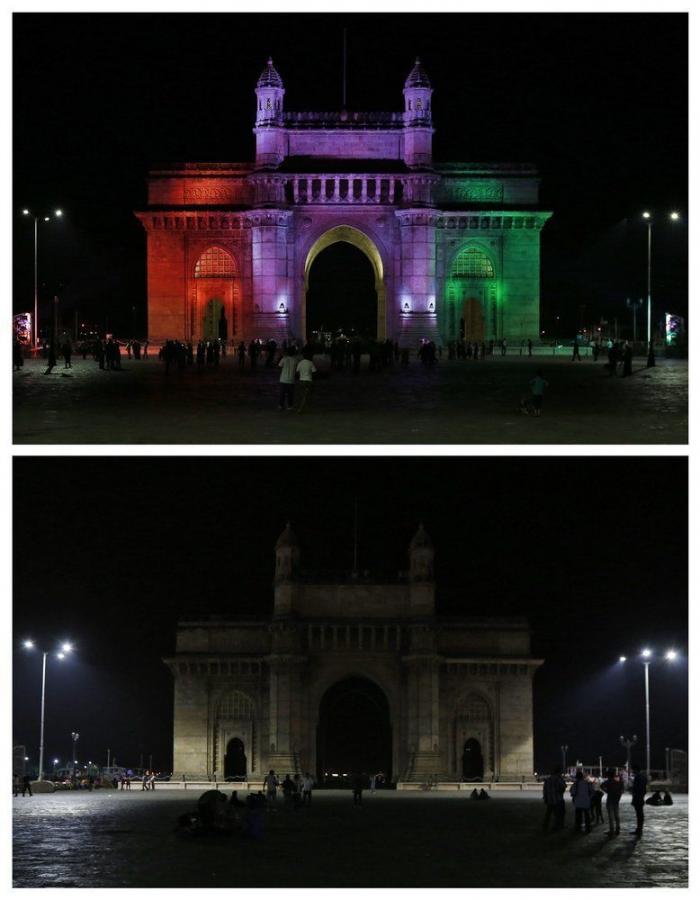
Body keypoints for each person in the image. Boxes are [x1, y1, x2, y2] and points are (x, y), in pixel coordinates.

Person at [542, 765, 567, 832]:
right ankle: (557, 826)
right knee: (559, 814)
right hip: (558, 799)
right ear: (558, 772)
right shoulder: (559, 779)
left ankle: (545, 826)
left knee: (548, 814)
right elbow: (564, 786)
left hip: (550, 799)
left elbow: (544, 790)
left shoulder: (548, 780)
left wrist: (545, 798)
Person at [601, 768, 624, 835]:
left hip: (610, 799)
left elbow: (601, 786)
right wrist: (619, 794)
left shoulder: (608, 781)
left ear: (609, 775)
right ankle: (618, 828)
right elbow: (622, 790)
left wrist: (607, 791)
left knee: (611, 816)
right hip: (616, 800)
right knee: (616, 815)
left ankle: (612, 830)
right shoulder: (619, 781)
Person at [570, 769, 593, 834]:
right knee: (587, 816)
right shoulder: (587, 783)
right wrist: (589, 798)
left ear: (577, 777)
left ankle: (578, 829)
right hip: (586, 802)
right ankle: (588, 829)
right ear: (582, 777)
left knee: (578, 817)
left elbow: (572, 793)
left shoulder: (575, 784)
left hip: (578, 803)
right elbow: (592, 792)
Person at [630, 764, 648, 835]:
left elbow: (637, 788)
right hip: (641, 797)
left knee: (639, 814)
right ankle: (639, 829)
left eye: (632, 770)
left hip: (638, 797)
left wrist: (634, 793)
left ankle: (639, 830)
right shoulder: (644, 777)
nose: (632, 771)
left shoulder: (638, 777)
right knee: (640, 813)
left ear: (635, 770)